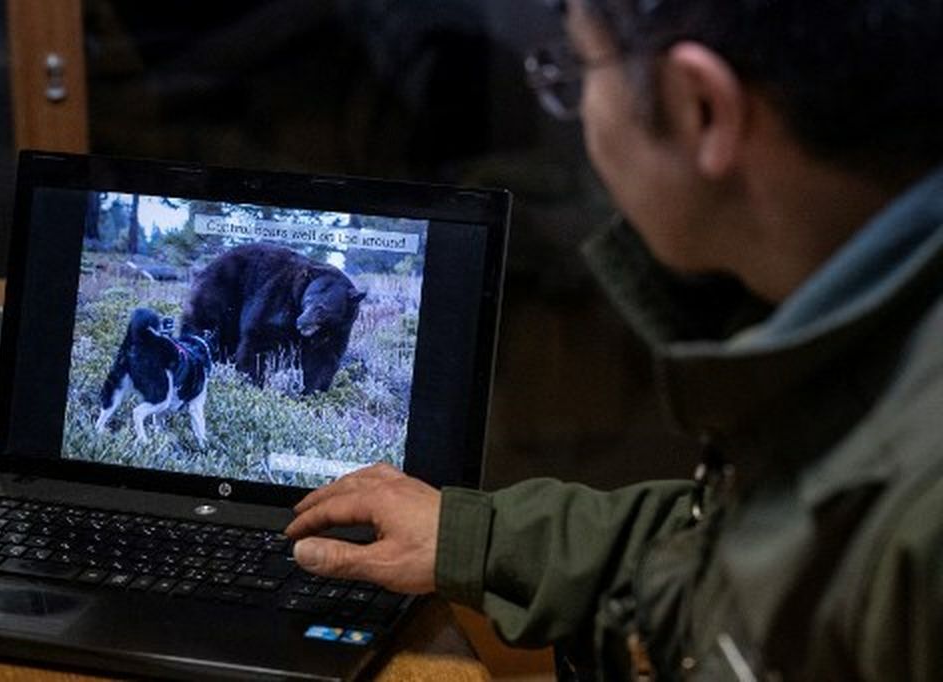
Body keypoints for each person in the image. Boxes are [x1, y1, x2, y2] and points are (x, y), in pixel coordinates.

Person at [286, 0, 943, 678]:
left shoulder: (921, 516)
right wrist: (472, 539)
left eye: (575, 69)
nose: (578, 114)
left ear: (701, 108)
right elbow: (724, 543)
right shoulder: (858, 354)